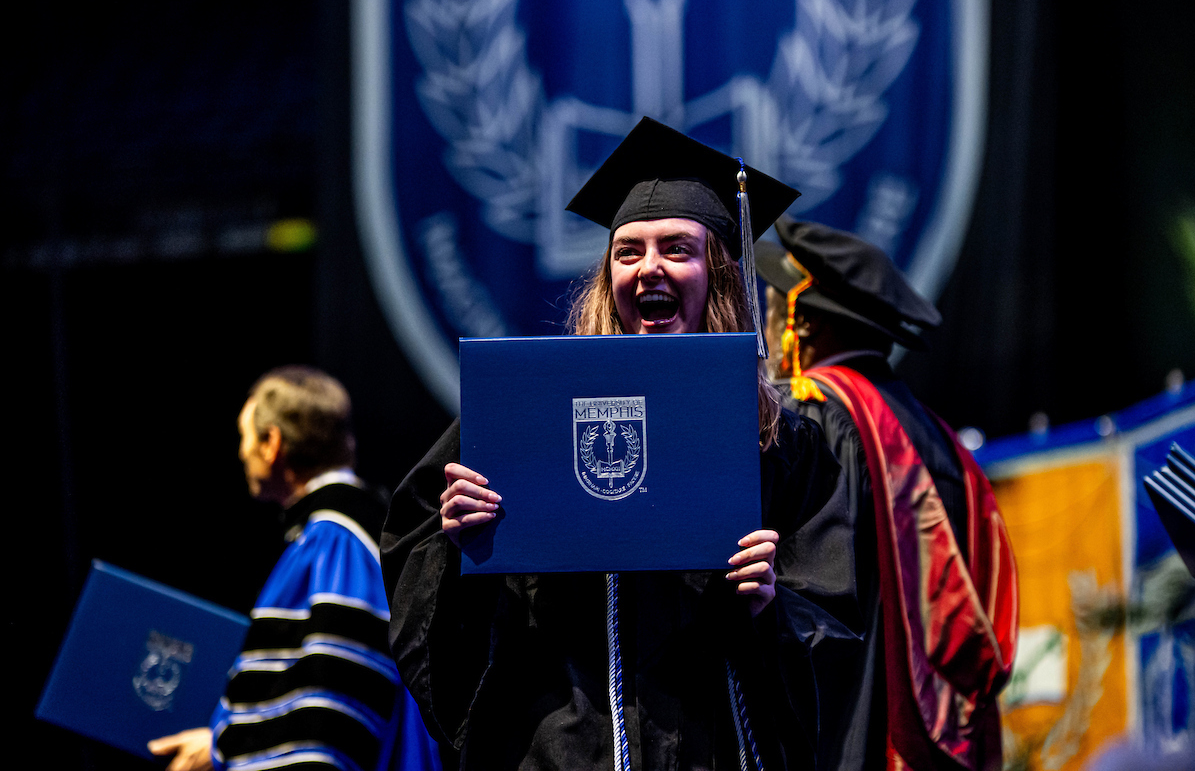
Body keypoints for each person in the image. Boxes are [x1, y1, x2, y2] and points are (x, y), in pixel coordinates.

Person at [381, 118, 851, 771]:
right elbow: (418, 564)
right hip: (554, 748)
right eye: (628, 252)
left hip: (712, 742)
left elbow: (833, 617)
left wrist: (771, 606)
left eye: (676, 249)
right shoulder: (530, 413)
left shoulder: (780, 441)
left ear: (718, 274)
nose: (648, 267)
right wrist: (453, 541)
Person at [756, 219, 1018, 771]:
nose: (769, 321)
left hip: (854, 732)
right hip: (937, 744)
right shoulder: (944, 445)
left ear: (802, 327)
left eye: (776, 307)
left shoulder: (816, 417)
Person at [149, 366, 440, 771]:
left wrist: (224, 749)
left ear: (272, 443)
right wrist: (220, 744)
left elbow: (331, 708)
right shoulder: (355, 532)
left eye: (244, 436)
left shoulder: (336, 541)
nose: (240, 451)